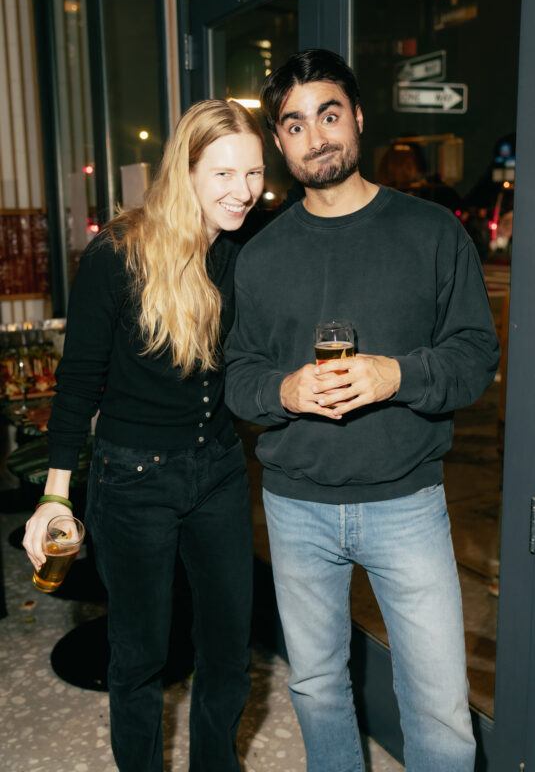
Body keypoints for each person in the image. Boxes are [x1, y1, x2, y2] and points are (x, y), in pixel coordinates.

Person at [225, 49, 499, 772]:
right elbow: (238, 375)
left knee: (440, 710)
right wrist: (283, 392)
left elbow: (475, 358)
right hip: (294, 507)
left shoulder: (432, 233)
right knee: (316, 689)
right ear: (280, 142)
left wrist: (396, 374)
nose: (316, 137)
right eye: (294, 124)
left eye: (329, 113)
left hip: (407, 503)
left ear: (358, 117)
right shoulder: (259, 256)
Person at [22, 99, 265, 772]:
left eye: (253, 173)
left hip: (216, 470)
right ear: (185, 171)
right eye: (223, 174)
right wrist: (55, 493)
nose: (242, 191)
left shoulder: (240, 250)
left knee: (227, 651)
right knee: (138, 658)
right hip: (132, 480)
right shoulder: (118, 254)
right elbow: (78, 383)